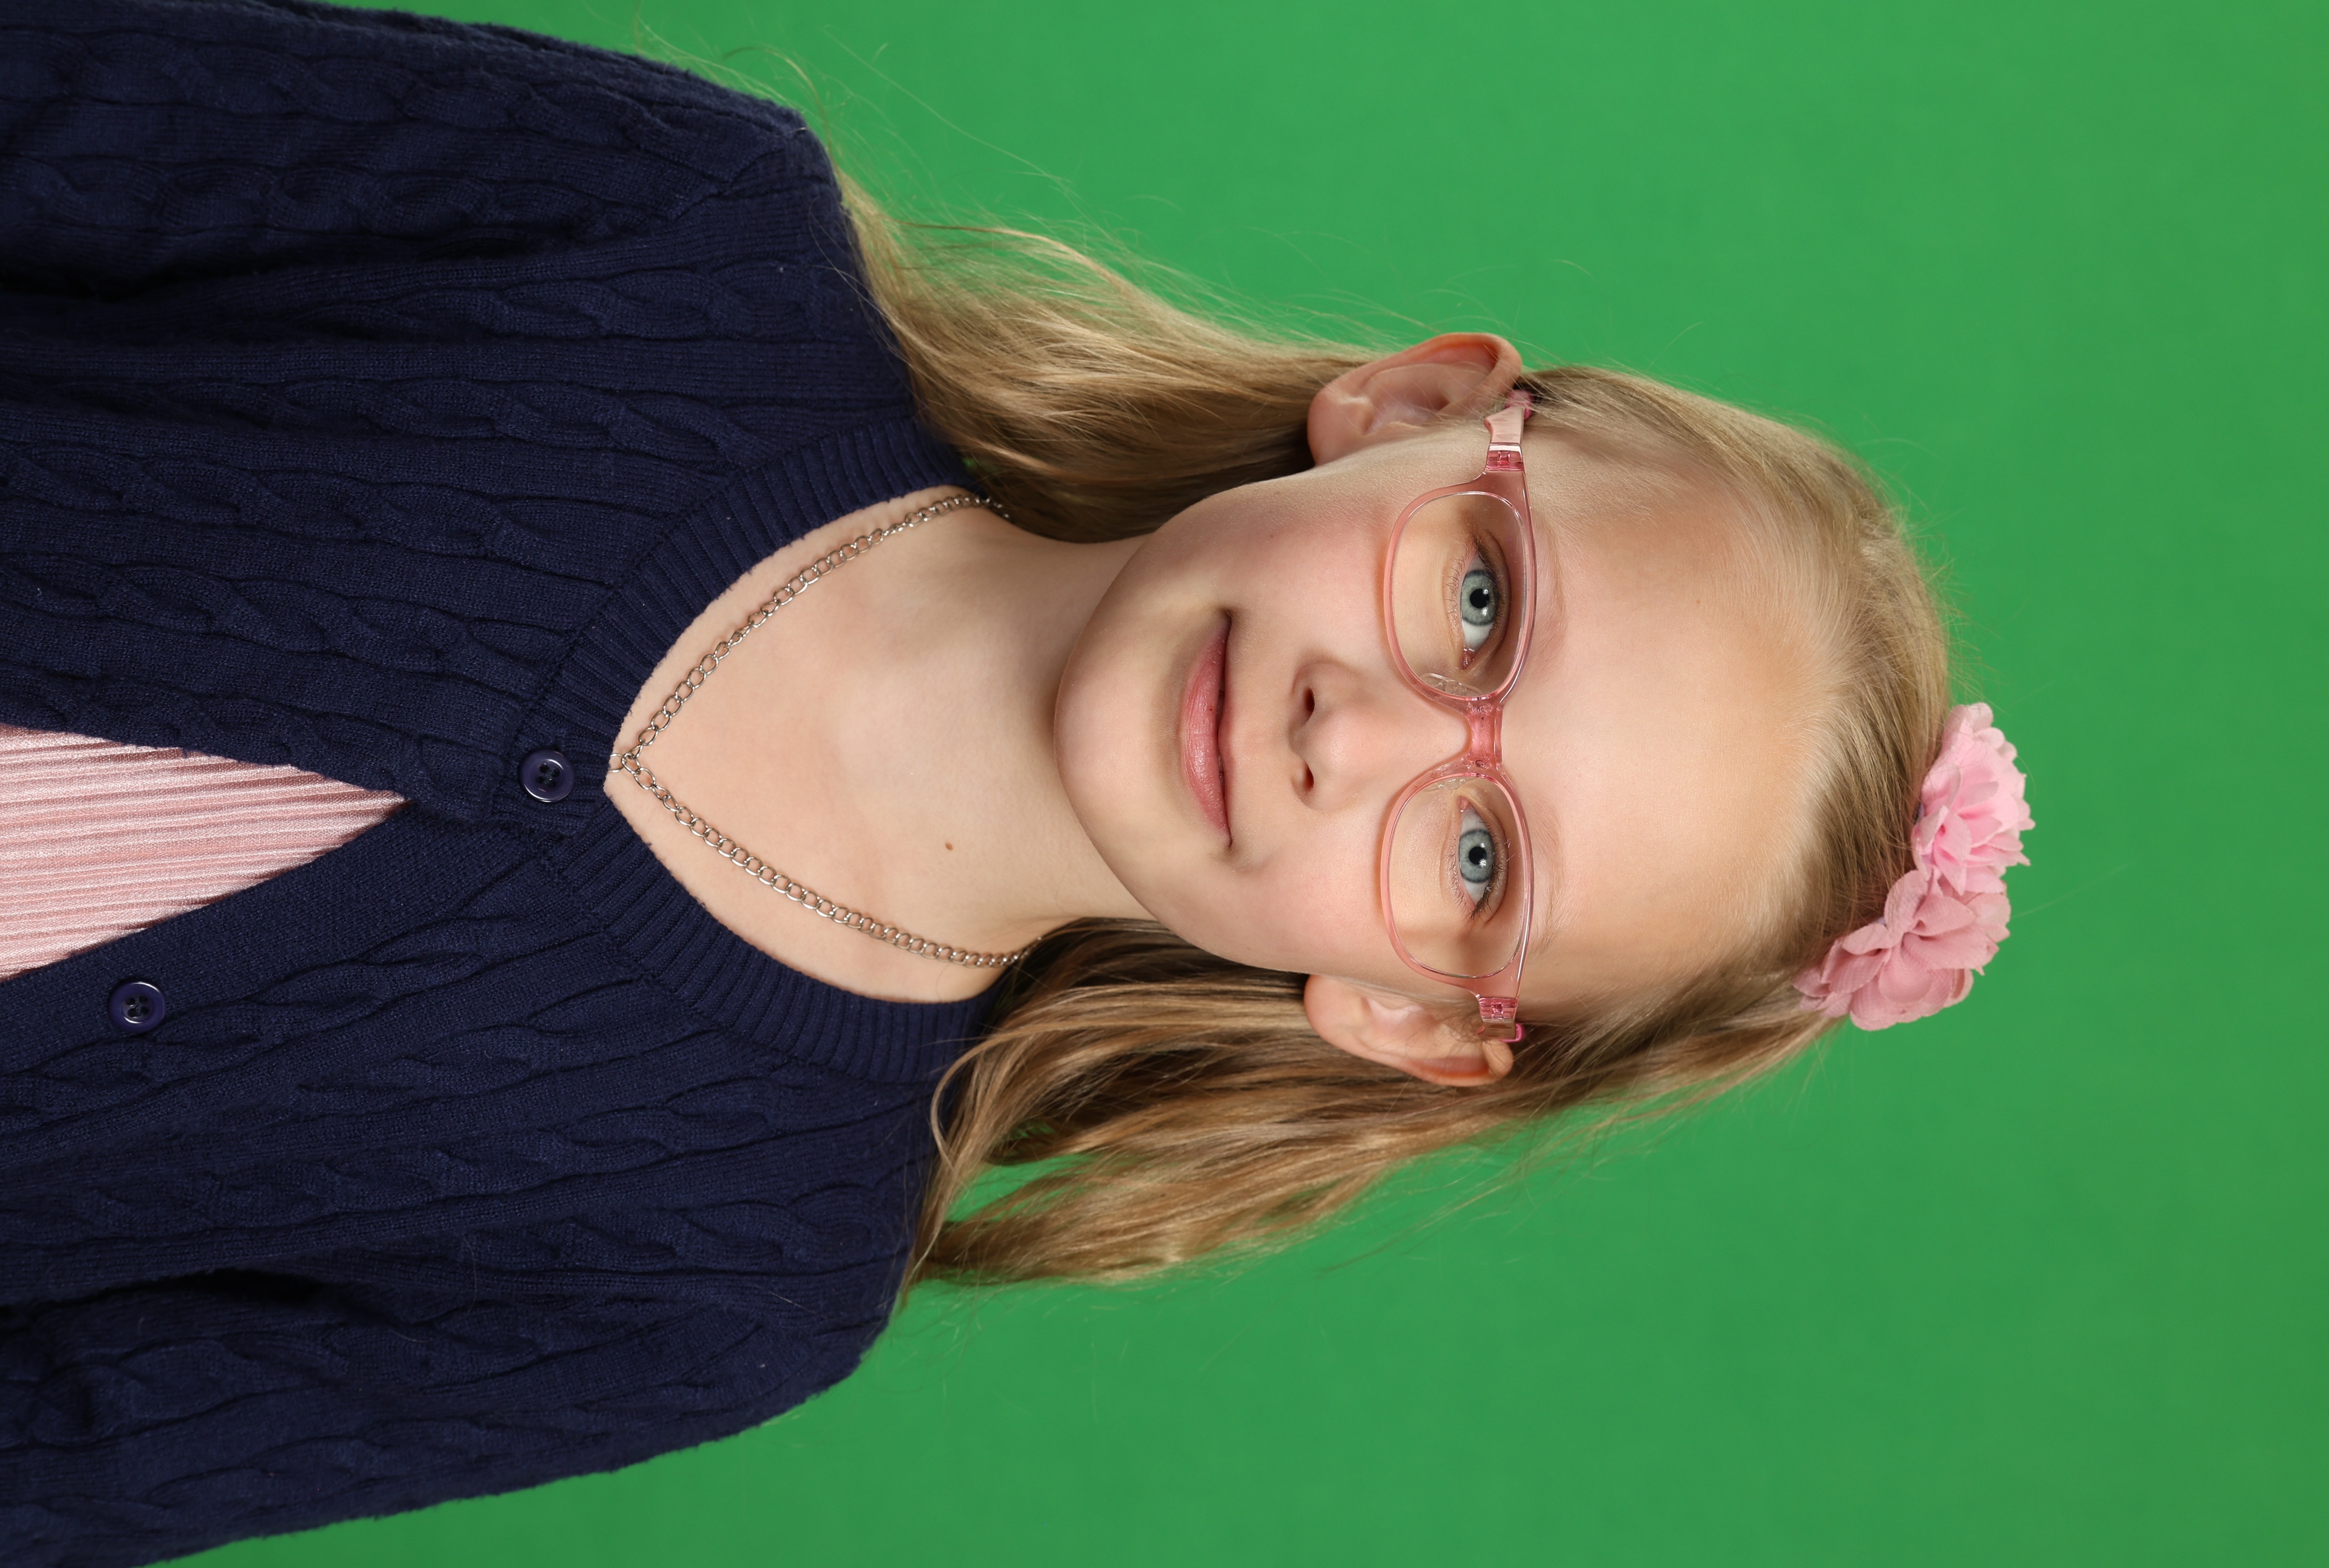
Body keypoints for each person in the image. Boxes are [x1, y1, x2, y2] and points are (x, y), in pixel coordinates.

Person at [0, 0, 2031, 1562]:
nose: (1356, 731)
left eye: (1483, 854)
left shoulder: (733, 1280)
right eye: (1483, 603)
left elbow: (60, 1453)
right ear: (1415, 405)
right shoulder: (672, 231)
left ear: (1412, 1011)